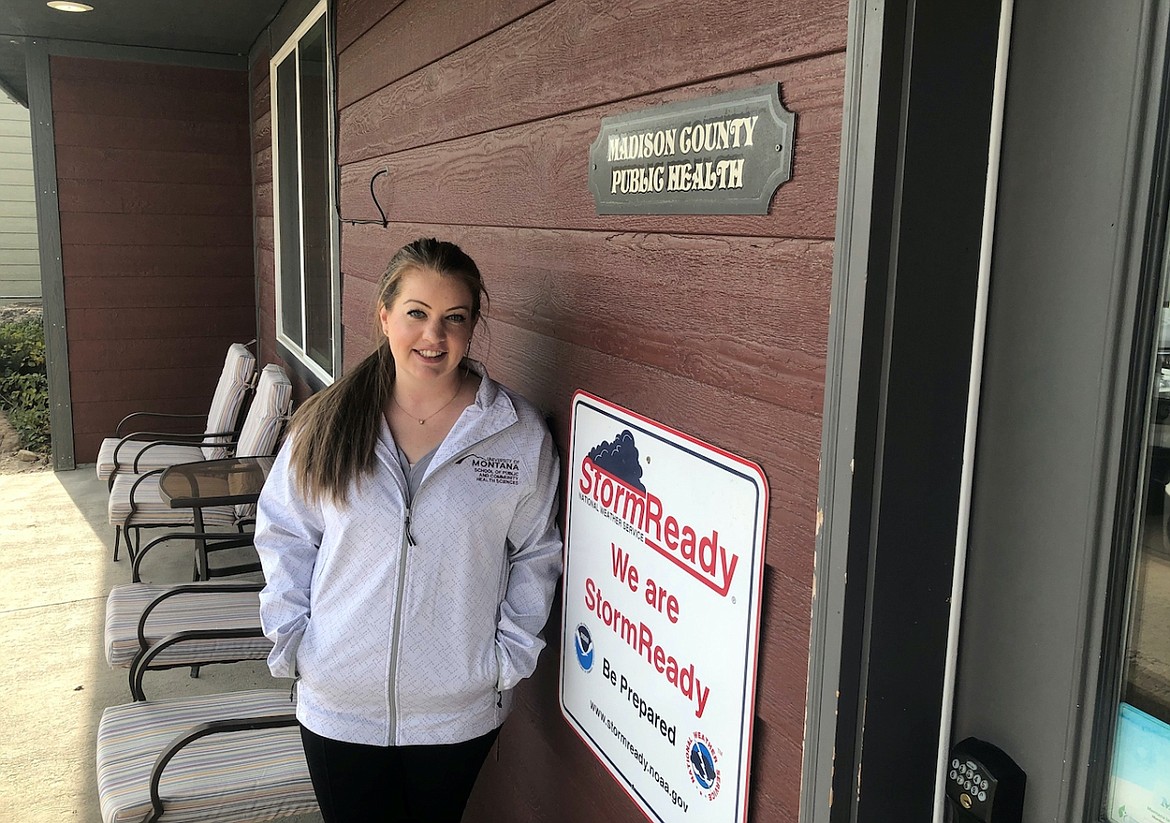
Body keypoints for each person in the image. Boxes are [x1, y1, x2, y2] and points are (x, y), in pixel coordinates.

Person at [255, 238, 563, 822]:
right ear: (385, 316)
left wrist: (506, 659)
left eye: (454, 319)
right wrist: (296, 640)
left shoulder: (515, 434)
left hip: (457, 710)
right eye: (417, 314)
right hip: (338, 701)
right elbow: (285, 534)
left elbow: (536, 554)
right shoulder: (328, 423)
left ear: (472, 327)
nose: (433, 336)